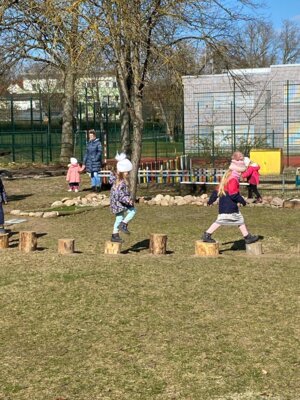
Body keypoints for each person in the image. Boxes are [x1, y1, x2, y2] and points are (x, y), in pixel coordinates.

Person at [202, 159, 259, 244]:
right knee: (239, 219)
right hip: (230, 206)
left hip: (223, 206)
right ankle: (247, 237)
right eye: (241, 172)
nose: (241, 174)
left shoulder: (226, 179)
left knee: (222, 220)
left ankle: (207, 234)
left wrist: (210, 201)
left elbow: (216, 192)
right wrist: (242, 201)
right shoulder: (233, 180)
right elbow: (233, 194)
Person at [109, 153, 136, 243]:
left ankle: (115, 234)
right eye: (125, 172)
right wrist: (128, 200)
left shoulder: (117, 180)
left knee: (119, 218)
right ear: (120, 172)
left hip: (117, 203)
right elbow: (120, 195)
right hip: (119, 203)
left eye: (128, 172)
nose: (127, 173)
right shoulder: (121, 183)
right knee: (132, 211)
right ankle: (123, 224)